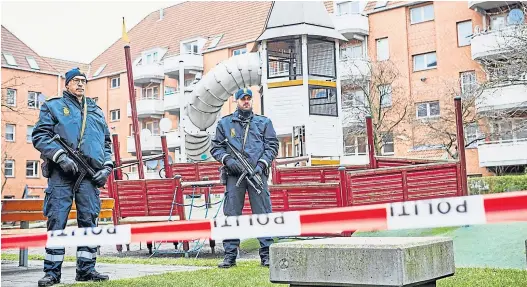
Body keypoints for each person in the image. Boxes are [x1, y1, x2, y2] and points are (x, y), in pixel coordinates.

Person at [32, 67, 113, 286]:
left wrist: (107, 167)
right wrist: (59, 156)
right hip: (62, 175)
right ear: (67, 83)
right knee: (57, 221)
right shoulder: (53, 106)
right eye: (76, 80)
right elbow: (40, 135)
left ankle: (87, 269)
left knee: (89, 221)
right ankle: (52, 273)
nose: (80, 84)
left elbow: (107, 142)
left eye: (83, 80)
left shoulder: (95, 110)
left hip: (89, 176)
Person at [210, 87, 279, 268]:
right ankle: (230, 255)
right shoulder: (224, 124)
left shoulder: (264, 122)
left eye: (249, 98)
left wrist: (262, 164)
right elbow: (216, 147)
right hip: (234, 176)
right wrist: (228, 161)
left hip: (257, 174)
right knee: (232, 214)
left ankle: (267, 254)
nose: (246, 101)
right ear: (236, 101)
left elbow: (272, 146)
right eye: (243, 99)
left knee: (263, 213)